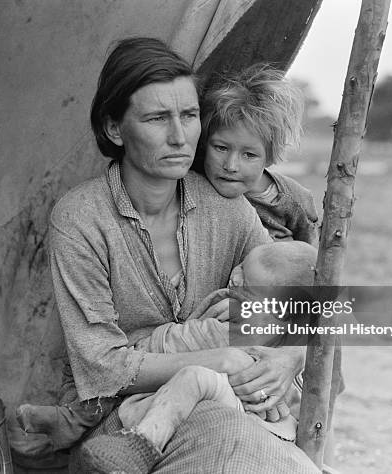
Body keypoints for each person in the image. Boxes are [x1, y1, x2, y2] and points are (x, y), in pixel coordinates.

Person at [23, 37, 319, 473]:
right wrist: (211, 360)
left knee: (249, 429)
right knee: (230, 437)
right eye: (159, 118)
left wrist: (291, 354)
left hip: (229, 400)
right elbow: (102, 366)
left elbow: (296, 300)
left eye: (190, 116)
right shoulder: (81, 219)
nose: (180, 137)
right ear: (115, 128)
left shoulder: (228, 208)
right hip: (124, 419)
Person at [75, 241, 318, 474]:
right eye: (242, 266)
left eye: (248, 285)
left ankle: (142, 444)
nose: (235, 277)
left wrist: (148, 343)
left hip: (249, 408)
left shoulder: (238, 323)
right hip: (282, 423)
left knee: (194, 379)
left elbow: (181, 343)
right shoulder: (296, 327)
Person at [193, 64, 319, 245]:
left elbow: (311, 253)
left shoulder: (293, 198)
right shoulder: (193, 185)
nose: (230, 166)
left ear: (270, 157)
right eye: (221, 148)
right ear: (205, 143)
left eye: (249, 155)